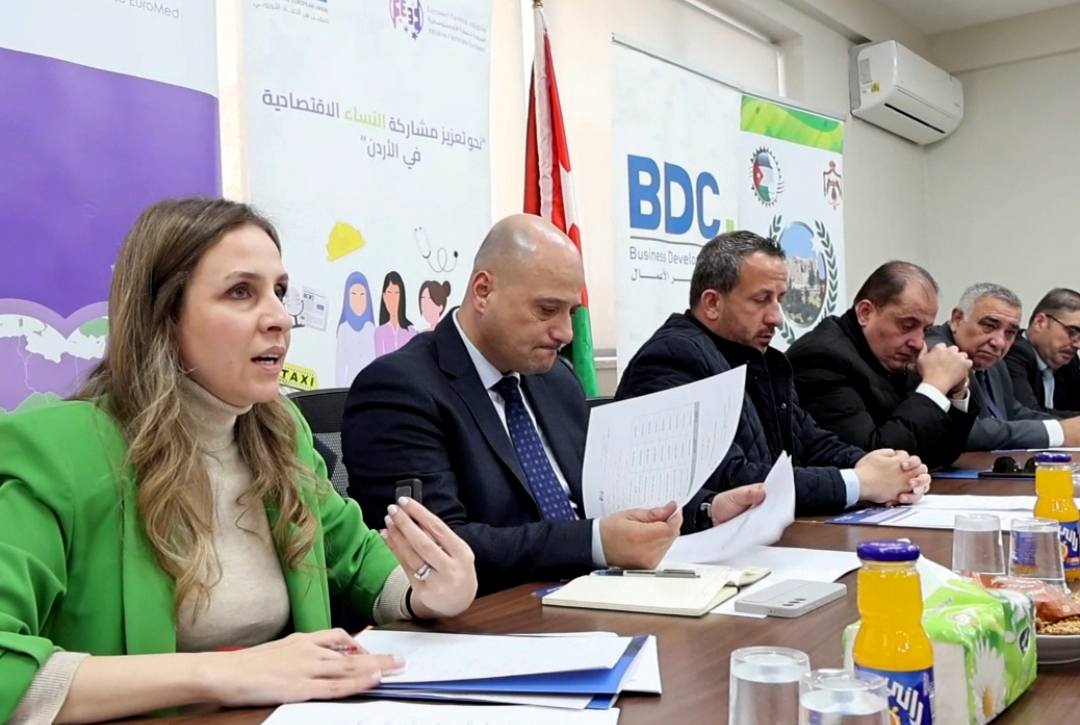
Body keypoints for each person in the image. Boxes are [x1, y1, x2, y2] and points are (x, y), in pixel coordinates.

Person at [0, 198, 478, 724]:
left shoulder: (279, 431)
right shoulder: (58, 451)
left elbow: (357, 557)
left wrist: (428, 590)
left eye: (280, 292)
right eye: (240, 292)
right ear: (163, 317)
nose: (280, 318)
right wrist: (220, 672)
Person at [342, 215, 766, 594]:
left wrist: (705, 510)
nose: (565, 333)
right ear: (484, 291)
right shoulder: (399, 390)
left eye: (571, 312)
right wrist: (594, 543)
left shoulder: (555, 379)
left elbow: (608, 496)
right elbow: (438, 551)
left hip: (595, 594)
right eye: (547, 310)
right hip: (496, 618)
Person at [616, 231, 931, 519]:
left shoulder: (757, 360)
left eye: (779, 300)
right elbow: (730, 482)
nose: (777, 318)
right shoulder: (673, 360)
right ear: (712, 303)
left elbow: (811, 441)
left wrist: (882, 467)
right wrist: (858, 483)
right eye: (761, 300)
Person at [786, 261, 977, 470]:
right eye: (907, 325)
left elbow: (939, 454)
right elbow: (869, 461)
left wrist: (955, 392)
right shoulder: (821, 358)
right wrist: (933, 389)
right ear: (865, 312)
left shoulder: (894, 356)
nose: (918, 342)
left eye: (925, 329)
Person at [926, 283, 1080, 450]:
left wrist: (1069, 427)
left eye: (1010, 332)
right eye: (989, 326)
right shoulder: (936, 352)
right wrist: (1059, 432)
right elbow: (959, 432)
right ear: (957, 319)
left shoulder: (993, 361)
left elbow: (1014, 413)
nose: (999, 342)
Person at [1004, 287, 1080, 417]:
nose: (1077, 344)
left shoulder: (1069, 361)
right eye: (1072, 332)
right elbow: (1027, 416)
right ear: (1040, 322)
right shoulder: (1013, 352)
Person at [335, 271, 377, 386]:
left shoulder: (371, 328)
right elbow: (340, 365)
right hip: (348, 387)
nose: (358, 300)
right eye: (353, 294)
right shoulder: (344, 329)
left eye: (362, 295)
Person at [374, 271, 418, 356]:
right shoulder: (379, 332)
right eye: (389, 293)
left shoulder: (412, 331)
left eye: (396, 293)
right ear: (384, 297)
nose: (393, 299)